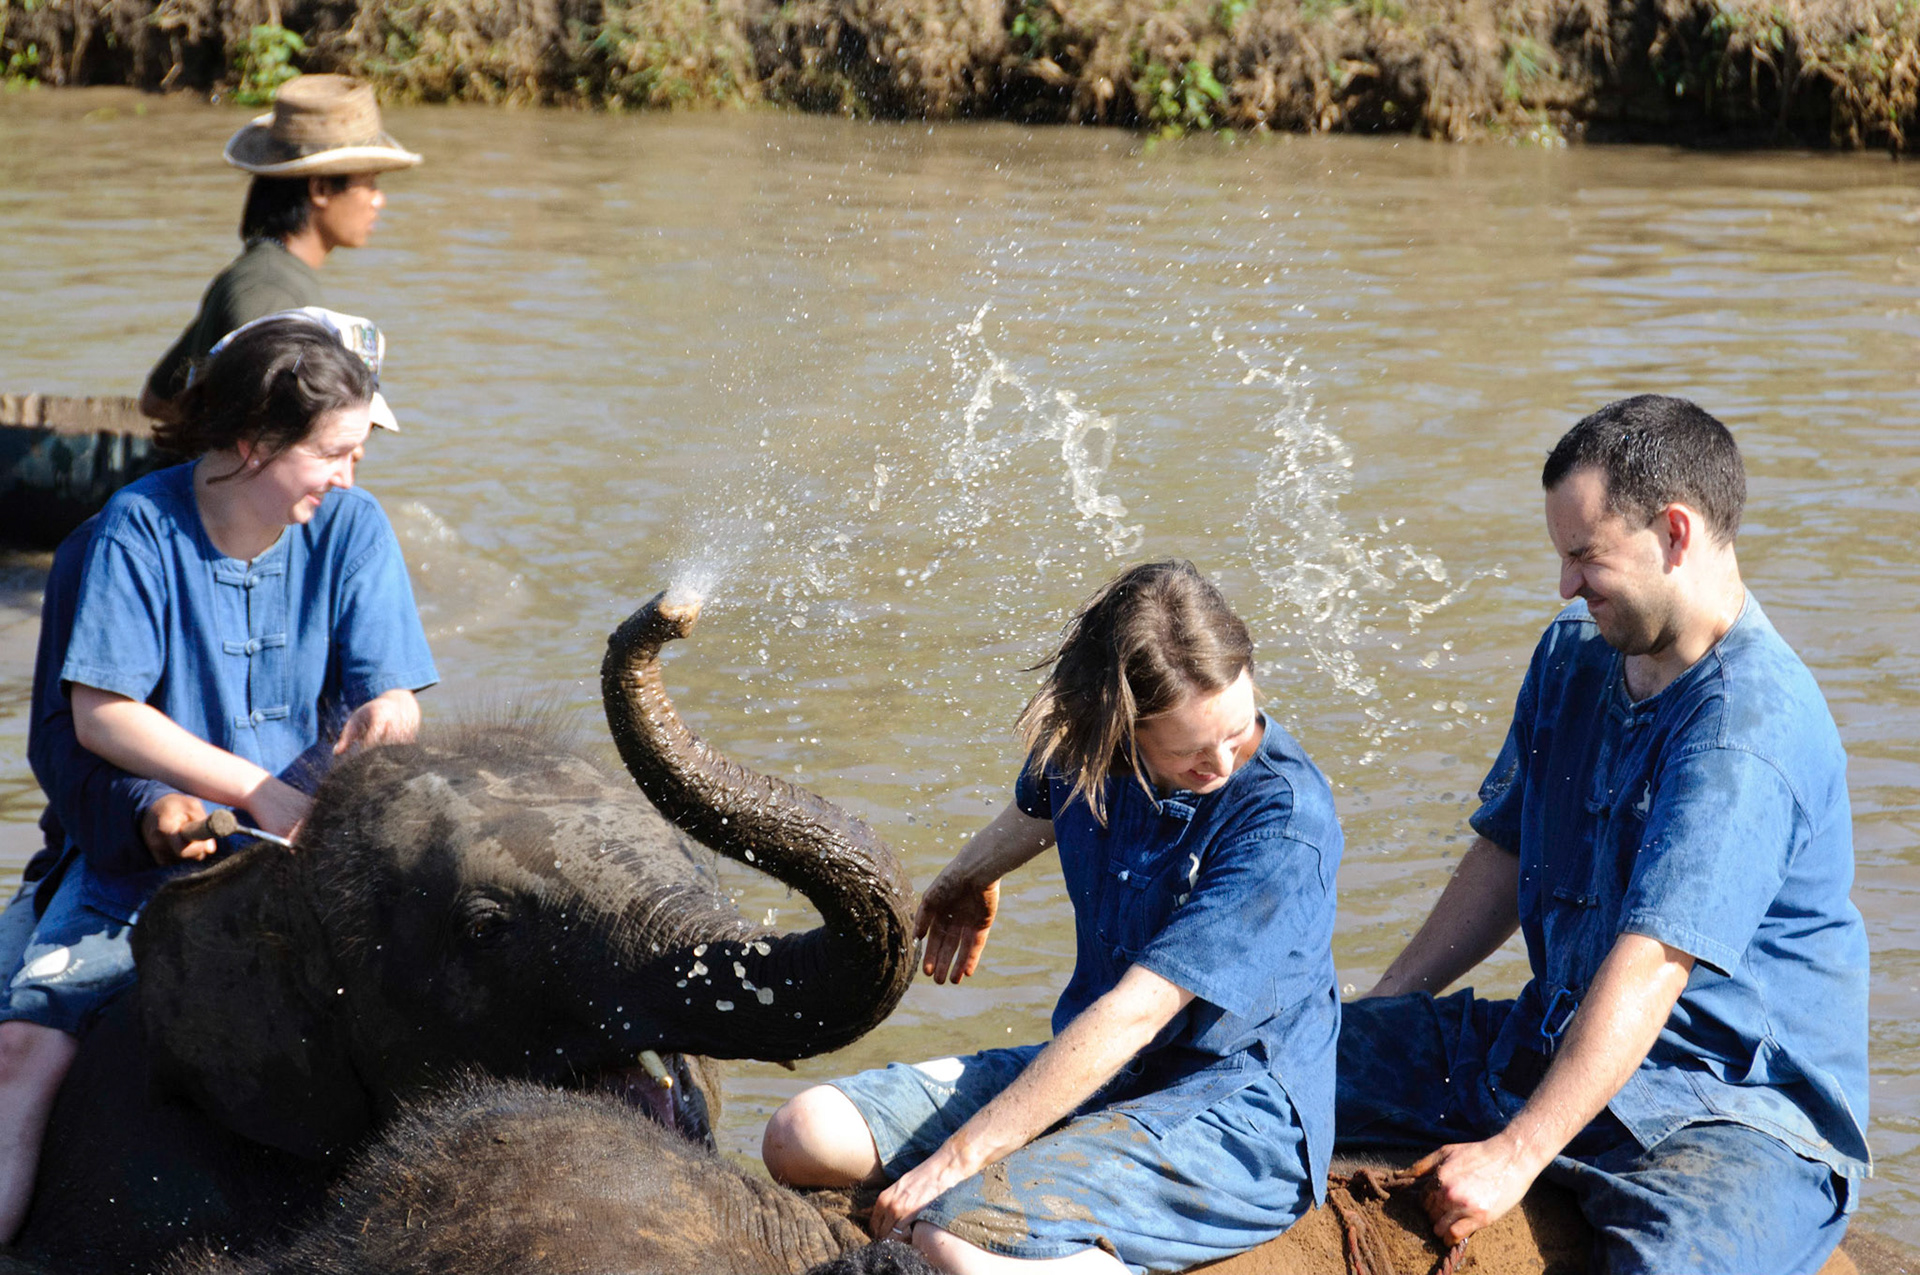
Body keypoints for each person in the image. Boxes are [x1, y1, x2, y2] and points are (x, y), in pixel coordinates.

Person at [1335, 395, 1869, 1274]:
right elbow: (1507, 852)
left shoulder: (1747, 728)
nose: (1566, 585)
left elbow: (1658, 960)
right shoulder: (1572, 657)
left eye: (1585, 556)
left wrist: (1517, 1154)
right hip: (1556, 1035)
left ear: (1675, 532)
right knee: (1281, 1053)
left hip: (1731, 1107)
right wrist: (1390, 1003)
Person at [763, 560, 1343, 1274]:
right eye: (1193, 751)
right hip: (1104, 1075)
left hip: (1231, 1115)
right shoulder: (1097, 746)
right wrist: (970, 876)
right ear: (1121, 727)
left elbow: (1136, 1012)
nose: (1223, 761)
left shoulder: (1284, 819)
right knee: (802, 1134)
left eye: (1240, 729)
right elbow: (1046, 799)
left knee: (953, 1243)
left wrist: (961, 1157)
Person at [0, 314, 438, 1241]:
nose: (349, 476)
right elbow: (99, 716)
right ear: (254, 445)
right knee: (24, 1048)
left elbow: (391, 690)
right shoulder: (133, 532)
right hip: (147, 868)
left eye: (357, 453)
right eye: (334, 453)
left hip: (320, 859)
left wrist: (390, 714)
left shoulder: (353, 528)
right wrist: (256, 793)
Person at [139, 74, 420, 417]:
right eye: (370, 184)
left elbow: (157, 399)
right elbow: (267, 430)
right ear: (320, 189)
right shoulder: (270, 292)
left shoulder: (262, 274)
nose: (380, 201)